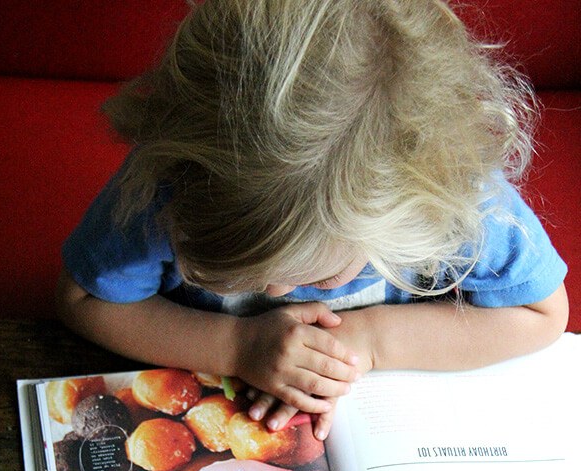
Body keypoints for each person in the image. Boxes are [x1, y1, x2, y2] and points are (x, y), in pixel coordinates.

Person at [56, 0, 568, 440]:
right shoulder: (170, 183)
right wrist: (234, 346)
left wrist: (372, 341)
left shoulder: (451, 197)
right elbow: (81, 300)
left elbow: (544, 314)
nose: (277, 291)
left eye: (321, 275)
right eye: (233, 269)